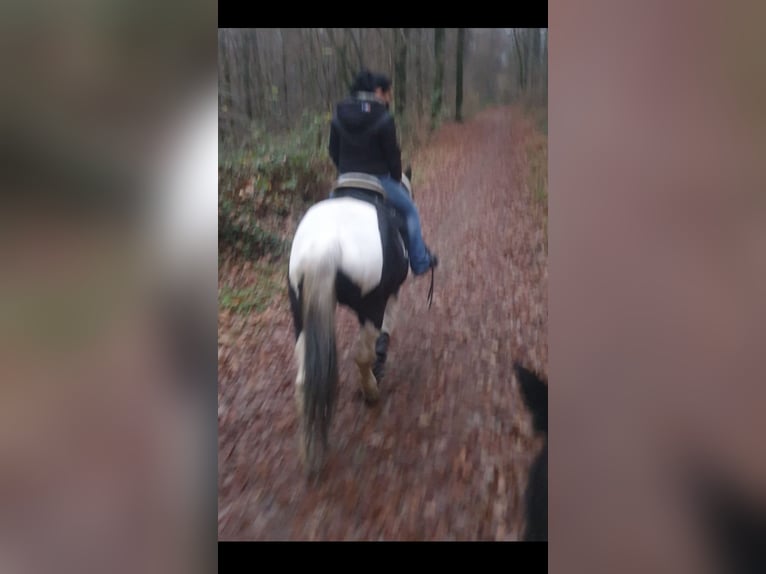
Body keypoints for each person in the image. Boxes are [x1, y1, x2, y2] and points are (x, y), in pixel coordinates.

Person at [328, 69, 438, 276]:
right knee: (410, 212)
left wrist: (344, 170)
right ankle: (420, 261)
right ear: (379, 91)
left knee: (324, 216)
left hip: (345, 179)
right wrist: (396, 177)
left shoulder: (339, 111)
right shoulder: (383, 116)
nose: (389, 100)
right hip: (379, 181)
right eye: (389, 94)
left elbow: (332, 150)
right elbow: (392, 156)